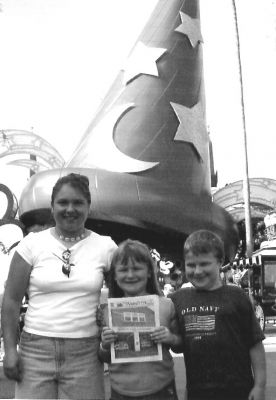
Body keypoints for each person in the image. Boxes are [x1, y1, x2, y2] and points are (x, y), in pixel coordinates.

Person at [1, 172, 117, 400]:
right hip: (35, 351)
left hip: (86, 353)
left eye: (78, 203)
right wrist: (11, 350)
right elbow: (12, 301)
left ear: (88, 207)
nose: (70, 209)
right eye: (63, 202)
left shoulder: (106, 247)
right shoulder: (31, 245)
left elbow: (122, 297)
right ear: (52, 207)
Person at [170, 230, 266, 400]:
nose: (197, 271)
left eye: (204, 264)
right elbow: (177, 346)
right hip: (197, 392)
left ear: (220, 262)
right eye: (191, 265)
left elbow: (255, 344)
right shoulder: (177, 300)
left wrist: (259, 385)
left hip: (239, 390)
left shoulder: (237, 296)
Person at [98, 239, 182, 400]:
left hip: (161, 388)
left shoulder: (166, 305)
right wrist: (105, 345)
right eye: (123, 270)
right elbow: (104, 357)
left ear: (149, 272)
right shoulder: (107, 311)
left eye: (137, 268)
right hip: (121, 391)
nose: (130, 275)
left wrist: (170, 338)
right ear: (114, 276)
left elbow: (180, 344)